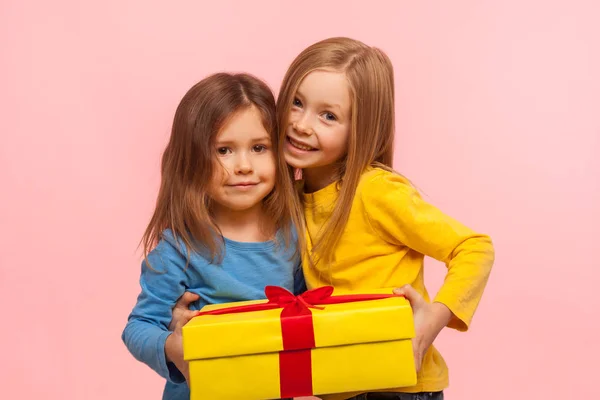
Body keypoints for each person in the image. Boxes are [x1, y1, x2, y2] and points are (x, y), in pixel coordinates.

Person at [275, 37, 495, 400]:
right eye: (296, 103)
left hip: (399, 386)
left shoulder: (375, 190)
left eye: (328, 115)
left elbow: (474, 247)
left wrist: (434, 318)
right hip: (341, 385)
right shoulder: (291, 199)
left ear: (360, 129)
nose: (301, 124)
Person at [122, 72, 304, 400]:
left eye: (259, 147)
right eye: (224, 150)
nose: (244, 165)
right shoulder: (180, 249)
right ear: (192, 159)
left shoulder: (292, 236)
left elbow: (309, 309)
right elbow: (138, 328)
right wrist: (172, 347)